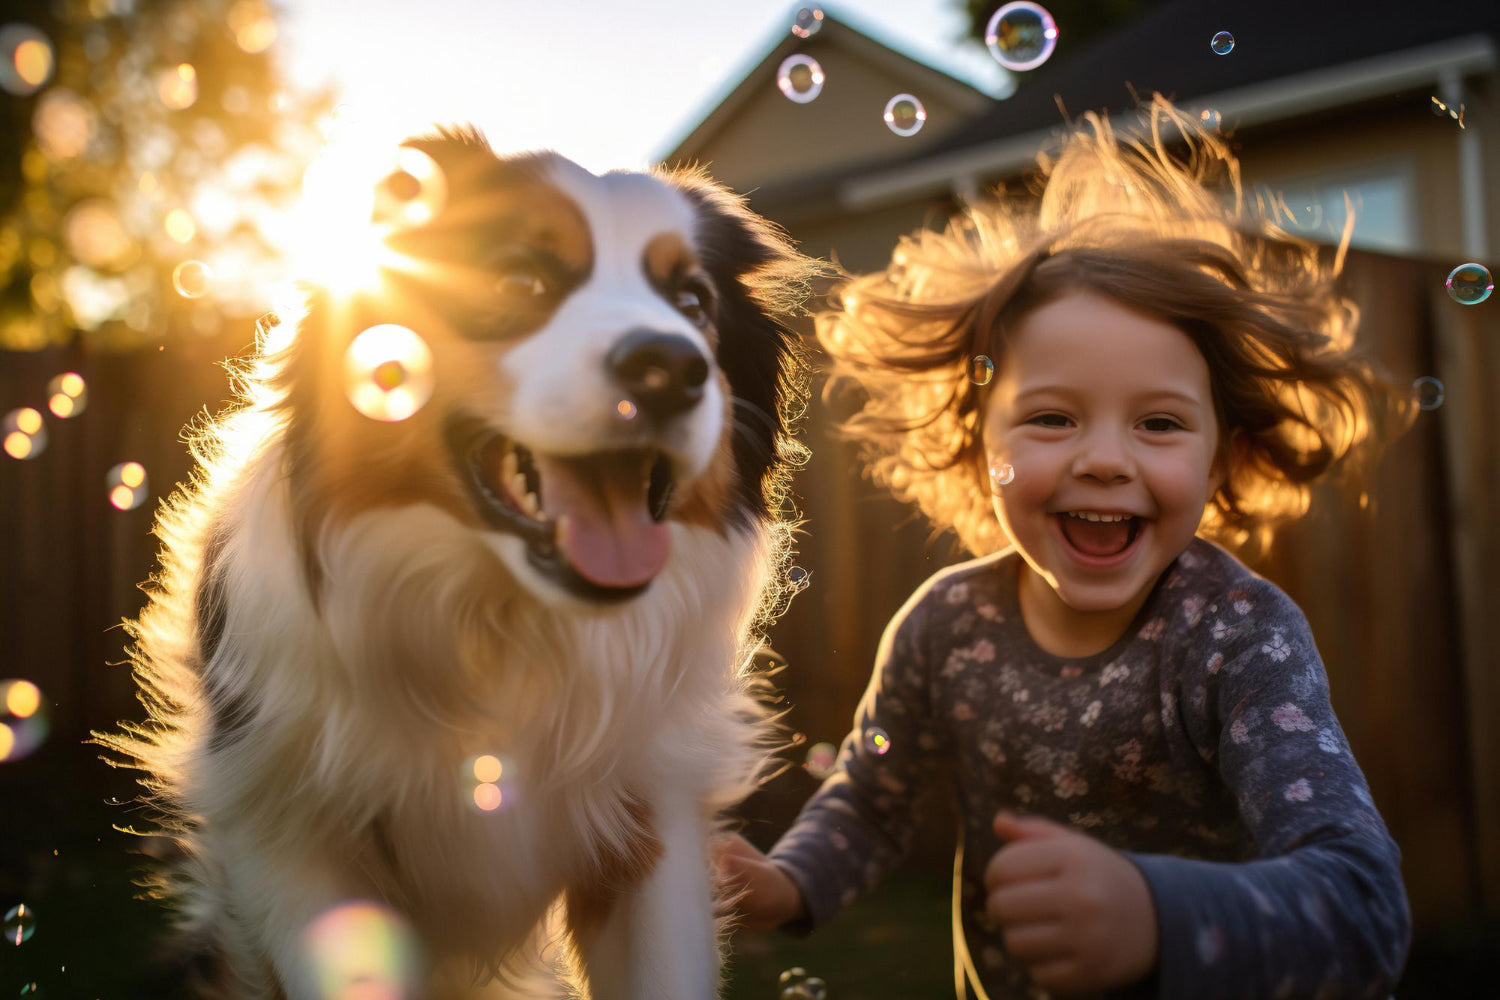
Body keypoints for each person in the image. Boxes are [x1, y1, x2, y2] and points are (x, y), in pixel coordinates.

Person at [717, 96, 1417, 1000]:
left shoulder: (1239, 636)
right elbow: (868, 800)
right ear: (978, 445)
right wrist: (788, 882)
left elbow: (1365, 905)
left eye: (1159, 423)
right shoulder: (944, 627)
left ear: (1222, 459)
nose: (1102, 459)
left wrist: (1156, 915)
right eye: (1052, 418)